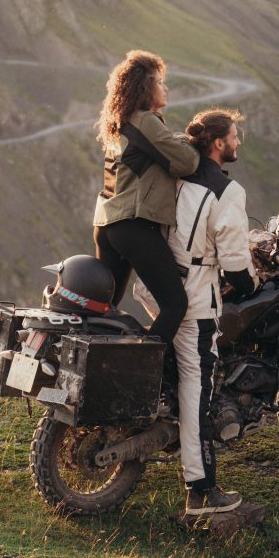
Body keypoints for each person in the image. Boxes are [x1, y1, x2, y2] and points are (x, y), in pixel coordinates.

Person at [151, 107, 259, 516]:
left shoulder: (178, 175)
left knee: (181, 373)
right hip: (195, 295)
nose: (237, 143)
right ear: (218, 143)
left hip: (158, 283)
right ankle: (200, 491)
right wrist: (251, 283)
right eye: (234, 136)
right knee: (198, 387)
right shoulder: (227, 192)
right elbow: (233, 260)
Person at [92, 50, 200, 350]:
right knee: (175, 304)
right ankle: (147, 372)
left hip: (108, 224)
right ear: (145, 86)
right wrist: (188, 140)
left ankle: (99, 367)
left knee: (103, 309)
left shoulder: (120, 123)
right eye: (160, 82)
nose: (165, 88)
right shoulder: (146, 121)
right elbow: (186, 162)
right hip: (134, 225)